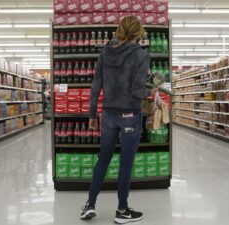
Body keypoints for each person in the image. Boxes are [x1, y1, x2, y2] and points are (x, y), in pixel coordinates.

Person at [80, 16, 152, 224]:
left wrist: (92, 114)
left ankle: (90, 205)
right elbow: (137, 91)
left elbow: (95, 87)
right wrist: (151, 87)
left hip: (108, 114)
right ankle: (122, 210)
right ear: (138, 33)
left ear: (119, 30)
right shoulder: (141, 55)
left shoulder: (105, 51)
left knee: (104, 158)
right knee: (126, 163)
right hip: (130, 114)